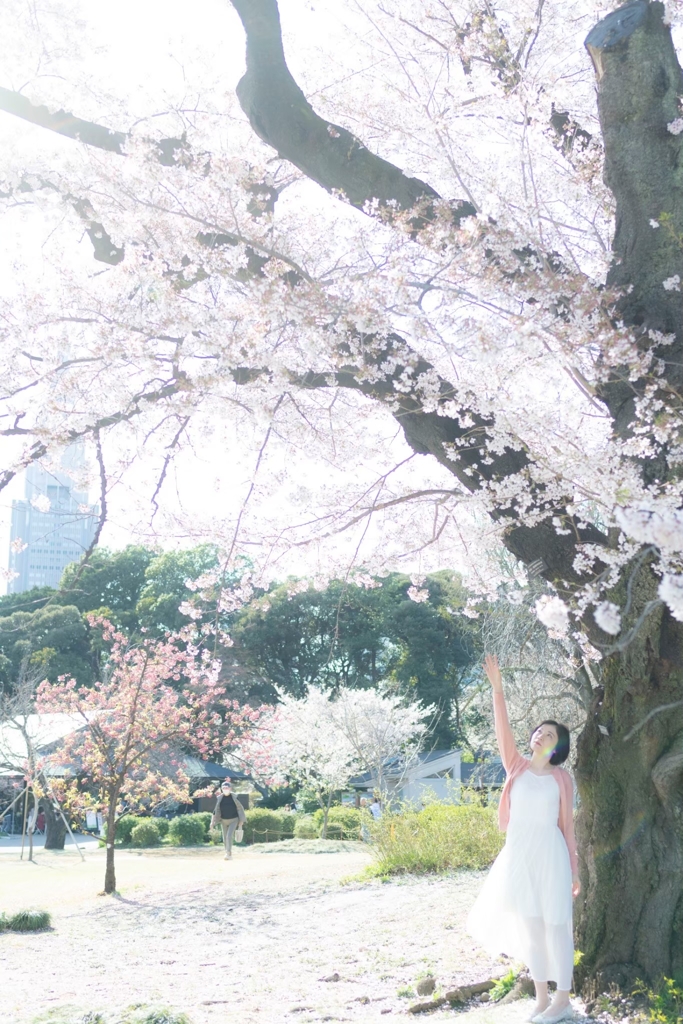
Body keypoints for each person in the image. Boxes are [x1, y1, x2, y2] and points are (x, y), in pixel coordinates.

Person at [467, 655, 580, 1024]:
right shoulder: (515, 768)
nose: (540, 735)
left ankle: (563, 1000)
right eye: (538, 731)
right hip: (518, 855)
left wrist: (575, 871)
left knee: (557, 925)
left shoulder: (562, 780)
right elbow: (503, 733)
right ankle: (541, 997)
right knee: (530, 926)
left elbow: (568, 829)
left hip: (551, 855)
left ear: (557, 747)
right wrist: (497, 689)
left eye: (548, 735)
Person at [211, 779, 246, 860]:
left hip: (234, 819)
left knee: (229, 836)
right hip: (223, 820)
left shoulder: (235, 797)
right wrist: (212, 822)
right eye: (224, 788)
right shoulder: (220, 798)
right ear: (221, 789)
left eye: (227, 787)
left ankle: (228, 853)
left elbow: (240, 809)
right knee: (224, 838)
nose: (225, 789)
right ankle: (227, 852)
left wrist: (241, 821)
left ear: (230, 788)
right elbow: (215, 811)